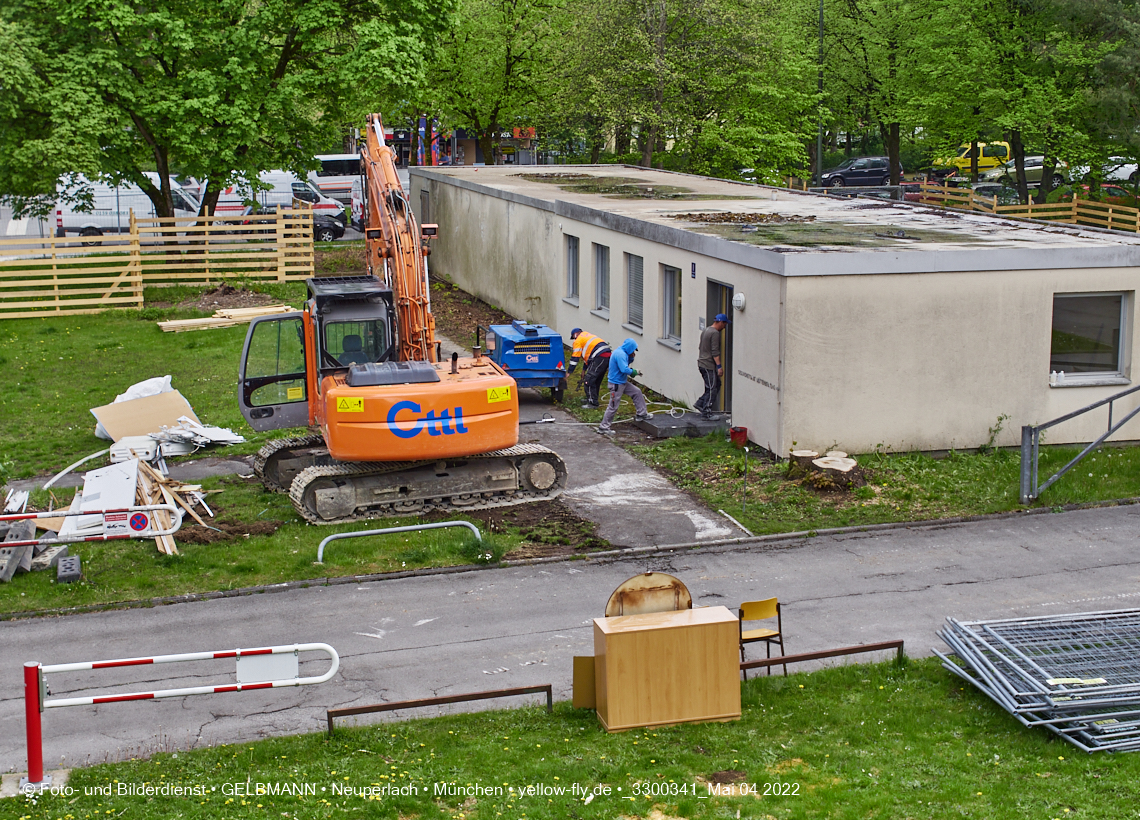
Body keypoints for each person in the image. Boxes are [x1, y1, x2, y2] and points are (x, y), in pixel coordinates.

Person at [597, 338, 651, 435]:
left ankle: (642, 414)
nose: (633, 352)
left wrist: (631, 358)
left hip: (621, 382)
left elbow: (625, 365)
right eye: (633, 350)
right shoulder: (620, 354)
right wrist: (634, 372)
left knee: (636, 392)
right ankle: (603, 427)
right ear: (630, 348)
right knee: (613, 406)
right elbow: (624, 369)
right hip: (616, 384)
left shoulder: (623, 352)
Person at [695, 313, 730, 419]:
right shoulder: (715, 333)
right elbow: (715, 352)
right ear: (720, 322)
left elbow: (701, 347)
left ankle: (700, 403)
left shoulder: (706, 330)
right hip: (707, 365)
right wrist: (719, 367)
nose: (724, 327)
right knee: (712, 388)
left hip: (702, 363)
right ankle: (706, 412)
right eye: (724, 324)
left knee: (716, 384)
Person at [567, 328, 611, 408]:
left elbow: (575, 357)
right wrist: (584, 370)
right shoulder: (587, 336)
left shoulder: (578, 340)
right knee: (596, 379)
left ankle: (593, 403)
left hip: (599, 356)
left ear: (575, 334)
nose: (574, 339)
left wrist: (569, 372)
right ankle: (591, 398)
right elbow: (587, 357)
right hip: (605, 354)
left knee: (589, 380)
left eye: (573, 337)